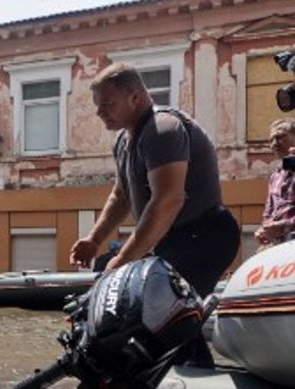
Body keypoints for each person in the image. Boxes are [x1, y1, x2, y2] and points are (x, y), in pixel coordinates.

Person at [69, 63, 240, 366]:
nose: (99, 113)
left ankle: (194, 378)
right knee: (152, 309)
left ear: (134, 97)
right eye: (97, 106)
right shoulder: (124, 141)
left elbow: (168, 201)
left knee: (161, 308)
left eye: (107, 104)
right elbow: (121, 196)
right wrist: (94, 240)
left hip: (205, 235)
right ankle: (183, 374)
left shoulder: (163, 129)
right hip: (172, 238)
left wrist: (124, 259)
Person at [255, 119, 295, 248]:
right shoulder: (276, 175)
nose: (274, 144)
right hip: (279, 247)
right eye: (271, 140)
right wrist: (264, 229)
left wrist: (284, 227)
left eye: (280, 137)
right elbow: (269, 211)